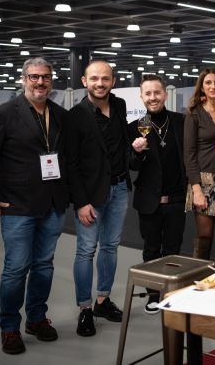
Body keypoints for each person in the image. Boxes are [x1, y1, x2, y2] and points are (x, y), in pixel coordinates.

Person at [0, 58, 69, 355]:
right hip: (18, 205)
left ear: (52, 81)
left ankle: (37, 319)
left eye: (46, 77)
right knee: (16, 268)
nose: (40, 82)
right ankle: (10, 327)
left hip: (52, 205)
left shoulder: (60, 115)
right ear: (23, 79)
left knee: (44, 266)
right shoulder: (4, 114)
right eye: (34, 77)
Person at [66, 60, 130, 337]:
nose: (100, 83)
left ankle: (102, 301)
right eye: (94, 79)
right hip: (91, 197)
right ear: (84, 81)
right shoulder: (75, 115)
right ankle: (84, 309)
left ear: (113, 81)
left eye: (105, 78)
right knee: (85, 251)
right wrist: (81, 202)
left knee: (111, 247)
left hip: (119, 190)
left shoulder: (119, 106)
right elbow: (70, 163)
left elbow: (119, 145)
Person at [128, 75, 186, 314]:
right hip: (149, 200)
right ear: (142, 97)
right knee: (151, 250)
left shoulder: (181, 122)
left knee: (173, 250)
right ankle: (153, 295)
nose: (153, 98)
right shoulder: (134, 127)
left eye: (157, 93)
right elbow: (130, 164)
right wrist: (138, 153)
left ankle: (170, 293)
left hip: (176, 199)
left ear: (165, 94)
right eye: (148, 94)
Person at [183, 68, 215, 259]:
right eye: (208, 83)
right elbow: (189, 154)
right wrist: (197, 189)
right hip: (204, 181)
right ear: (202, 87)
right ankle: (198, 282)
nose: (213, 86)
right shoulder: (194, 114)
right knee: (205, 236)